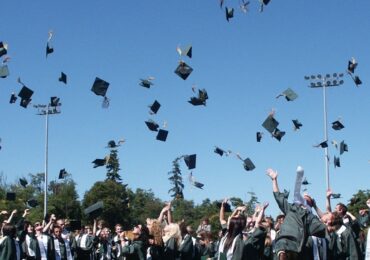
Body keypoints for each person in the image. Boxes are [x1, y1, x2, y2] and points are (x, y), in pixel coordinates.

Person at [266, 168, 327, 260]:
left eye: (307, 199)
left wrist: (316, 207)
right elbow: (278, 197)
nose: (303, 199)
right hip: (283, 245)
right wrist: (274, 180)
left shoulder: (310, 218)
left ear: (310, 205)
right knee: (281, 249)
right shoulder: (292, 208)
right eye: (303, 198)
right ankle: (282, 254)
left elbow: (325, 226)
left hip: (296, 248)